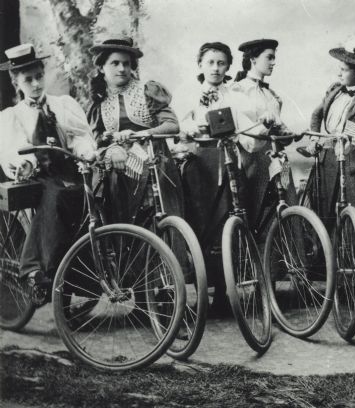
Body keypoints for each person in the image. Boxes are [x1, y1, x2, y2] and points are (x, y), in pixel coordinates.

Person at [177, 41, 267, 314]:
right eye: (210, 63)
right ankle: (206, 290)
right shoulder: (188, 93)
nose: (215, 68)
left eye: (221, 63)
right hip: (198, 165)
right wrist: (193, 128)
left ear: (228, 66)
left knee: (229, 221)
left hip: (228, 162)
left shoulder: (236, 95)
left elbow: (249, 129)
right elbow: (178, 125)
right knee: (202, 225)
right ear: (200, 65)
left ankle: (227, 292)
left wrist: (262, 127)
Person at [0, 44, 96, 301]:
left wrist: (86, 152)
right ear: (16, 82)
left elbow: (80, 136)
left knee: (94, 201)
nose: (35, 84)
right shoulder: (14, 116)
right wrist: (24, 164)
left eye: (38, 77)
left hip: (72, 172)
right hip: (40, 177)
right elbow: (15, 150)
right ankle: (33, 270)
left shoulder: (63, 105)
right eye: (27, 79)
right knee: (53, 198)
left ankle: (86, 279)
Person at [306, 40, 355, 295]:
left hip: (354, 164)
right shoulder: (334, 90)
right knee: (325, 215)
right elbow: (317, 114)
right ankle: (330, 281)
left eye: (343, 69)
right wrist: (315, 137)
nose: (339, 73)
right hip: (328, 160)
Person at [87, 36, 183, 225]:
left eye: (126, 64)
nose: (122, 69)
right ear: (101, 67)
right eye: (115, 63)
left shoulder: (146, 90)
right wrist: (113, 148)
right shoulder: (98, 101)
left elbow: (172, 125)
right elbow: (96, 139)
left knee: (159, 211)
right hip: (117, 163)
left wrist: (142, 134)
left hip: (153, 159)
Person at [230, 38, 298, 238]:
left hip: (277, 159)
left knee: (286, 207)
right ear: (252, 59)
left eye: (274, 58)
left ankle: (289, 266)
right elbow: (248, 140)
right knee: (260, 216)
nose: (273, 62)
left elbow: (280, 130)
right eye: (269, 57)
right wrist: (265, 125)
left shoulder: (270, 94)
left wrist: (288, 133)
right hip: (254, 162)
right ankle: (260, 267)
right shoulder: (238, 90)